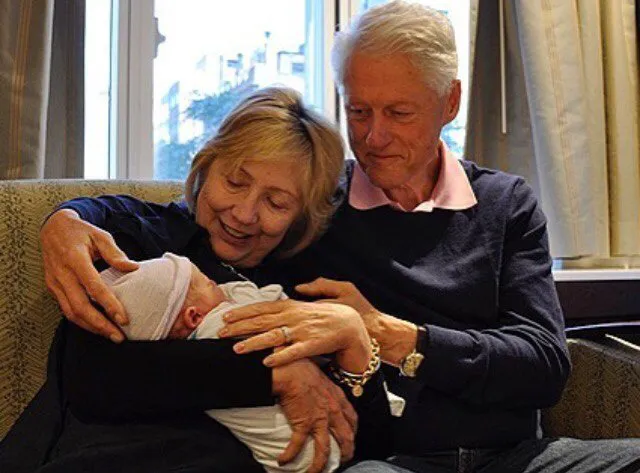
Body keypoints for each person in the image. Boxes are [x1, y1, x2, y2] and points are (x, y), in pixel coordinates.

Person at [214, 2, 640, 473]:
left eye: (399, 112)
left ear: (450, 102)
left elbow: (542, 366)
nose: (373, 136)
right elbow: (206, 239)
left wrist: (390, 335)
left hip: (517, 459)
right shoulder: (316, 202)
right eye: (358, 111)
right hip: (391, 462)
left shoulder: (506, 204)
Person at [0, 86, 392, 473]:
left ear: (300, 218)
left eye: (275, 202)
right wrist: (270, 375)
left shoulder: (303, 283)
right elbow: (93, 377)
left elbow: (369, 446)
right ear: (206, 166)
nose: (244, 213)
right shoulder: (145, 242)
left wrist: (357, 345)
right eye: (235, 182)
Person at [101, 251, 343, 473]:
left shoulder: (189, 370)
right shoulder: (222, 326)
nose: (219, 285)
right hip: (315, 453)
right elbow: (273, 298)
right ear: (194, 316)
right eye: (209, 283)